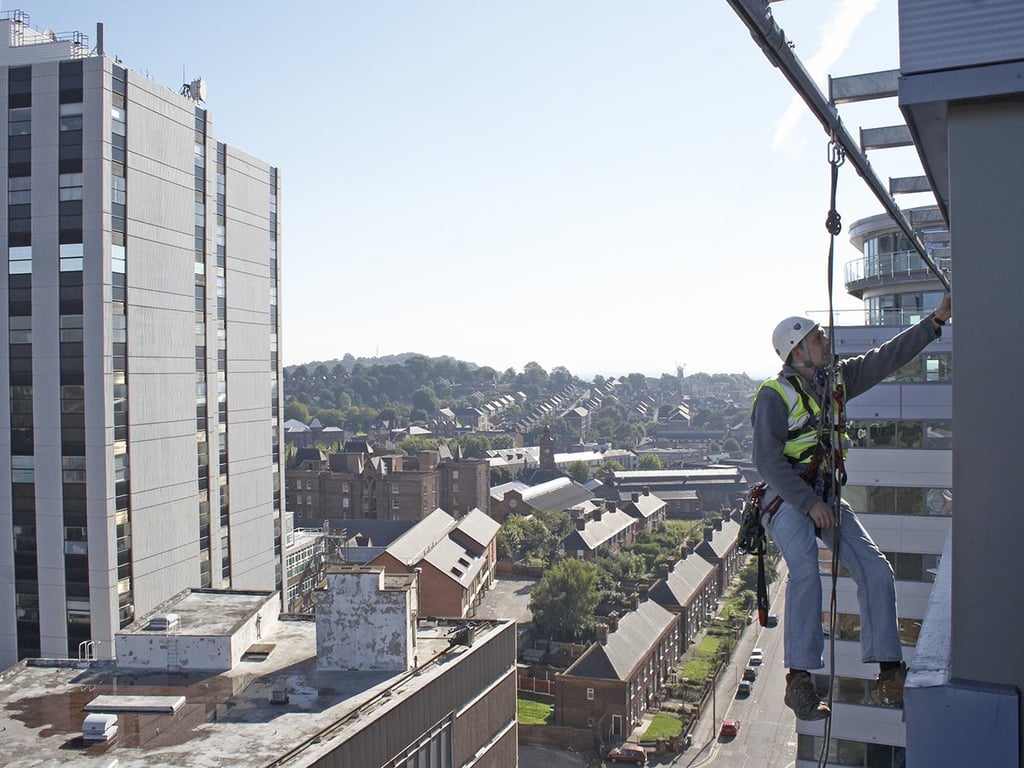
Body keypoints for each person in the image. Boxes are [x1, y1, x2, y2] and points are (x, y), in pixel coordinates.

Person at [750, 294, 951, 721]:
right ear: (797, 351)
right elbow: (767, 461)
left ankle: (889, 670)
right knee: (804, 566)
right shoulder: (775, 395)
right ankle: (799, 680)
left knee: (876, 569)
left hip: (822, 495)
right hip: (787, 496)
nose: (827, 341)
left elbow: (886, 358)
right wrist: (808, 503)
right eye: (818, 337)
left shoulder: (835, 381)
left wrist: (934, 322)